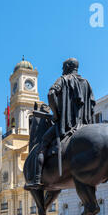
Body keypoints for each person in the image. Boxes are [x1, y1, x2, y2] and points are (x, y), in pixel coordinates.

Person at [25, 58, 96, 190]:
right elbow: (92, 104)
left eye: (63, 67)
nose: (62, 70)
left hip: (67, 124)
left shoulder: (63, 79)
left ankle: (37, 178)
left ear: (68, 67)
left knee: (42, 145)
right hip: (84, 124)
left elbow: (51, 93)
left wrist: (57, 114)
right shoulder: (86, 83)